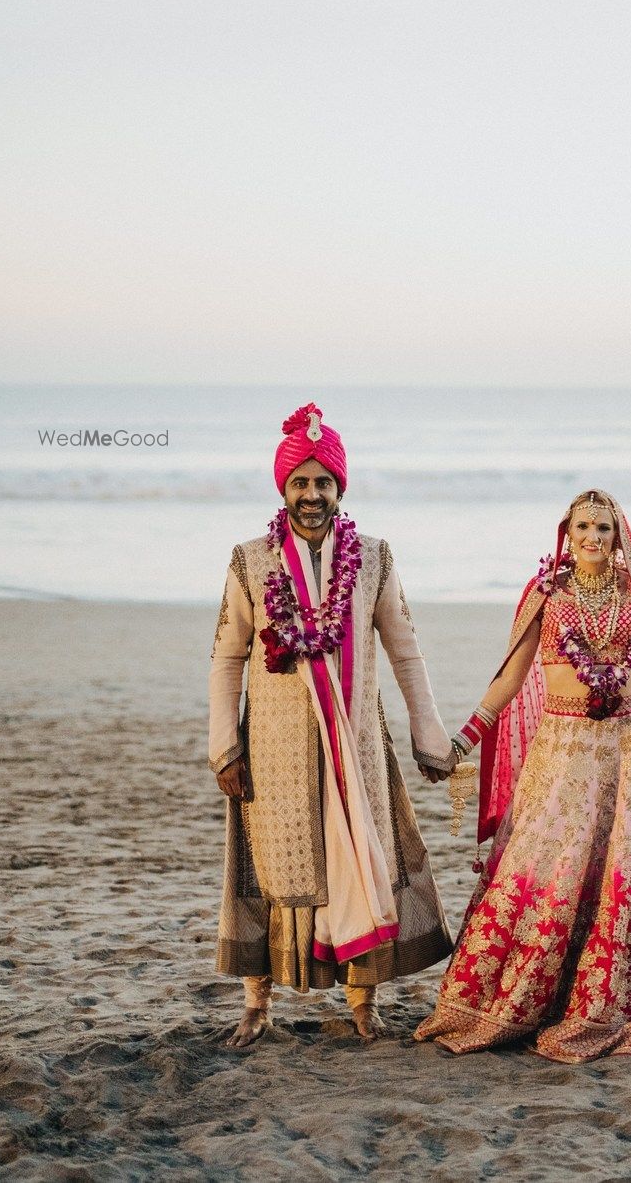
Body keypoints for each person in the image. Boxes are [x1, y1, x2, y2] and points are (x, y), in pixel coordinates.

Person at [415, 489, 631, 1062]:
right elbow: (509, 680)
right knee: (550, 864)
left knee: (625, 871)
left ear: (619, 536)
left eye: (604, 528)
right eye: (583, 527)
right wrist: (463, 742)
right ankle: (533, 998)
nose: (593, 537)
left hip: (629, 756)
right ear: (567, 533)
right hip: (562, 755)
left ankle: (617, 998)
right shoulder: (547, 594)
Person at [209, 402, 455, 1047]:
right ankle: (257, 1005)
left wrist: (427, 734)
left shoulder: (373, 557)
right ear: (283, 489)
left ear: (340, 488)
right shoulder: (249, 560)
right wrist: (224, 747)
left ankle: (362, 1004)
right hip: (274, 746)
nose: (311, 495)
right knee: (268, 869)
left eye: (323, 483)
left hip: (357, 746)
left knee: (361, 862)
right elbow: (227, 656)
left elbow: (405, 649)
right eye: (300, 483)